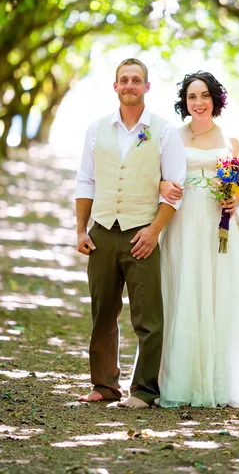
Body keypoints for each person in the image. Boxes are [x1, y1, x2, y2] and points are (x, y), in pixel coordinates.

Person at [75, 58, 186, 408]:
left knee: (148, 317)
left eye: (136, 80)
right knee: (103, 314)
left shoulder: (164, 131)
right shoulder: (96, 129)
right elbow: (85, 180)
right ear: (115, 86)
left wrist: (154, 231)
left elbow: (175, 189)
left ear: (147, 87)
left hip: (142, 231)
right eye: (124, 79)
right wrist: (81, 228)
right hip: (103, 231)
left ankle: (144, 391)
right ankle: (104, 386)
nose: (129, 85)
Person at [159, 71, 239, 408]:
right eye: (192, 97)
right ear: (184, 102)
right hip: (183, 224)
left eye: (204, 96)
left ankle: (217, 381)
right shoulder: (173, 137)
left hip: (217, 229)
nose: (198, 103)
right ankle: (180, 379)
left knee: (218, 294)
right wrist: (163, 186)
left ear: (215, 99)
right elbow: (160, 177)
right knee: (183, 290)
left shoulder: (230, 141)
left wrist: (237, 198)